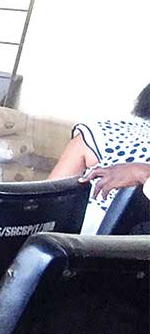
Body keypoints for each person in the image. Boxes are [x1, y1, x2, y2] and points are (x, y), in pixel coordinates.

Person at [49, 81, 150, 232]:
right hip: (73, 239)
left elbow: (47, 207)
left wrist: (142, 172)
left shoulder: (101, 135)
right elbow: (48, 203)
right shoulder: (101, 135)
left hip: (81, 241)